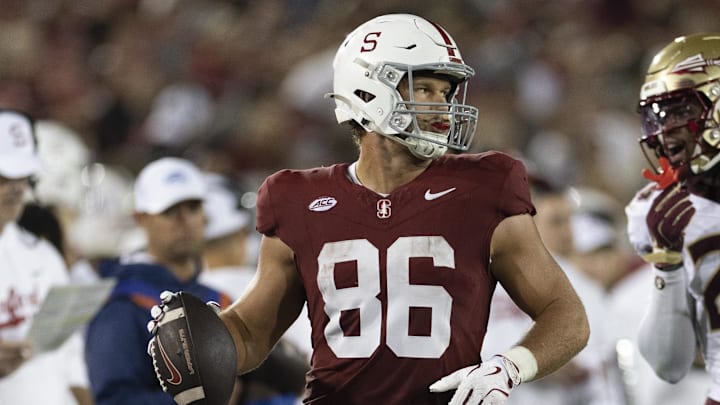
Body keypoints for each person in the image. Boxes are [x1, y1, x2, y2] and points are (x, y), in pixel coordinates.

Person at [151, 13, 589, 404]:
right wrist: (199, 341)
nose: (443, 106)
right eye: (424, 88)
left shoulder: (484, 187)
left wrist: (511, 366)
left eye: (446, 91)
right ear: (368, 88)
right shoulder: (295, 199)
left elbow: (566, 314)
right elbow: (250, 333)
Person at [85, 157, 234, 404]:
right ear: (140, 219)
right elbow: (113, 399)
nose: (184, 220)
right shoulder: (123, 304)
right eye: (169, 211)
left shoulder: (220, 298)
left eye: (193, 207)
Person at [626, 33, 720, 404]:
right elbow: (669, 365)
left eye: (681, 111)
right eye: (658, 116)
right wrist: (667, 264)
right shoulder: (660, 211)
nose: (665, 131)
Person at [0, 109, 92, 404]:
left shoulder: (44, 256)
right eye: (3, 175)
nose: (16, 187)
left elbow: (69, 355)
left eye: (23, 175)